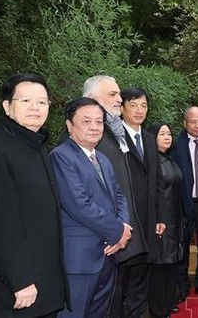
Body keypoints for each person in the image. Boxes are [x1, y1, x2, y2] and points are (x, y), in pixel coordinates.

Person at [0, 74, 68, 317]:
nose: (35, 108)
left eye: (42, 102)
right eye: (25, 101)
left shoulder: (37, 144)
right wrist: (20, 280)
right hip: (19, 288)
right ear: (7, 106)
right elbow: (1, 221)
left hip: (46, 280)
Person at [50, 97, 131, 318]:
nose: (94, 127)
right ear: (69, 125)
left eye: (99, 121)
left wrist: (124, 227)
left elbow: (119, 196)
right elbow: (79, 205)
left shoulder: (103, 159)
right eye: (86, 121)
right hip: (79, 261)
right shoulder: (61, 156)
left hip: (108, 256)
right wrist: (117, 232)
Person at [82, 76, 152, 317]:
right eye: (112, 94)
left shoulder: (115, 133)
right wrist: (115, 229)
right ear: (91, 99)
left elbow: (122, 187)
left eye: (118, 94)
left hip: (127, 236)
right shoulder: (85, 139)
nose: (119, 99)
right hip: (103, 243)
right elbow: (85, 199)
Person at [115, 87, 166, 317]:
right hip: (125, 220)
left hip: (148, 221)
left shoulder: (148, 138)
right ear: (122, 107)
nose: (139, 110)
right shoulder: (113, 138)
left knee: (141, 279)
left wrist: (159, 216)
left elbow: (156, 181)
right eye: (133, 105)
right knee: (121, 281)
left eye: (144, 105)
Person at [170, 107, 198, 301]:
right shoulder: (175, 145)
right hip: (183, 203)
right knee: (183, 247)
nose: (197, 126)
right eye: (193, 122)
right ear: (185, 122)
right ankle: (181, 287)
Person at [146, 122, 183, 318]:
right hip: (159, 221)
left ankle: (168, 302)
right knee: (159, 265)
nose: (167, 137)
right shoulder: (150, 162)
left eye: (169, 133)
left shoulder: (169, 160)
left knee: (171, 262)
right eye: (162, 134)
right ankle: (157, 308)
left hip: (174, 219)